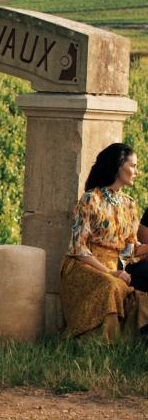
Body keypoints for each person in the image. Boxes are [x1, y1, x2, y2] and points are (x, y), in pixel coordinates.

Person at [60, 143, 148, 339]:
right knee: (111, 284)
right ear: (118, 167)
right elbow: (78, 248)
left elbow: (128, 249)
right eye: (132, 166)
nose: (136, 171)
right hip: (84, 265)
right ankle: (103, 343)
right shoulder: (90, 199)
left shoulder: (129, 204)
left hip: (115, 265)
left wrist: (132, 259)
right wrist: (110, 272)